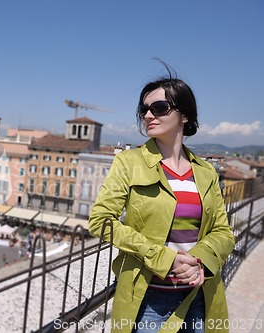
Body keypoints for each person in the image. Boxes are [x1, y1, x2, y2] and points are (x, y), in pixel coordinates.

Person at [88, 64, 235, 333]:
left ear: (185, 115)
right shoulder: (128, 162)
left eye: (159, 108)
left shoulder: (205, 172)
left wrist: (200, 260)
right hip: (149, 300)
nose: (147, 115)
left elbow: (223, 232)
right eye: (143, 109)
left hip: (199, 295)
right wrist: (163, 258)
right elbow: (100, 221)